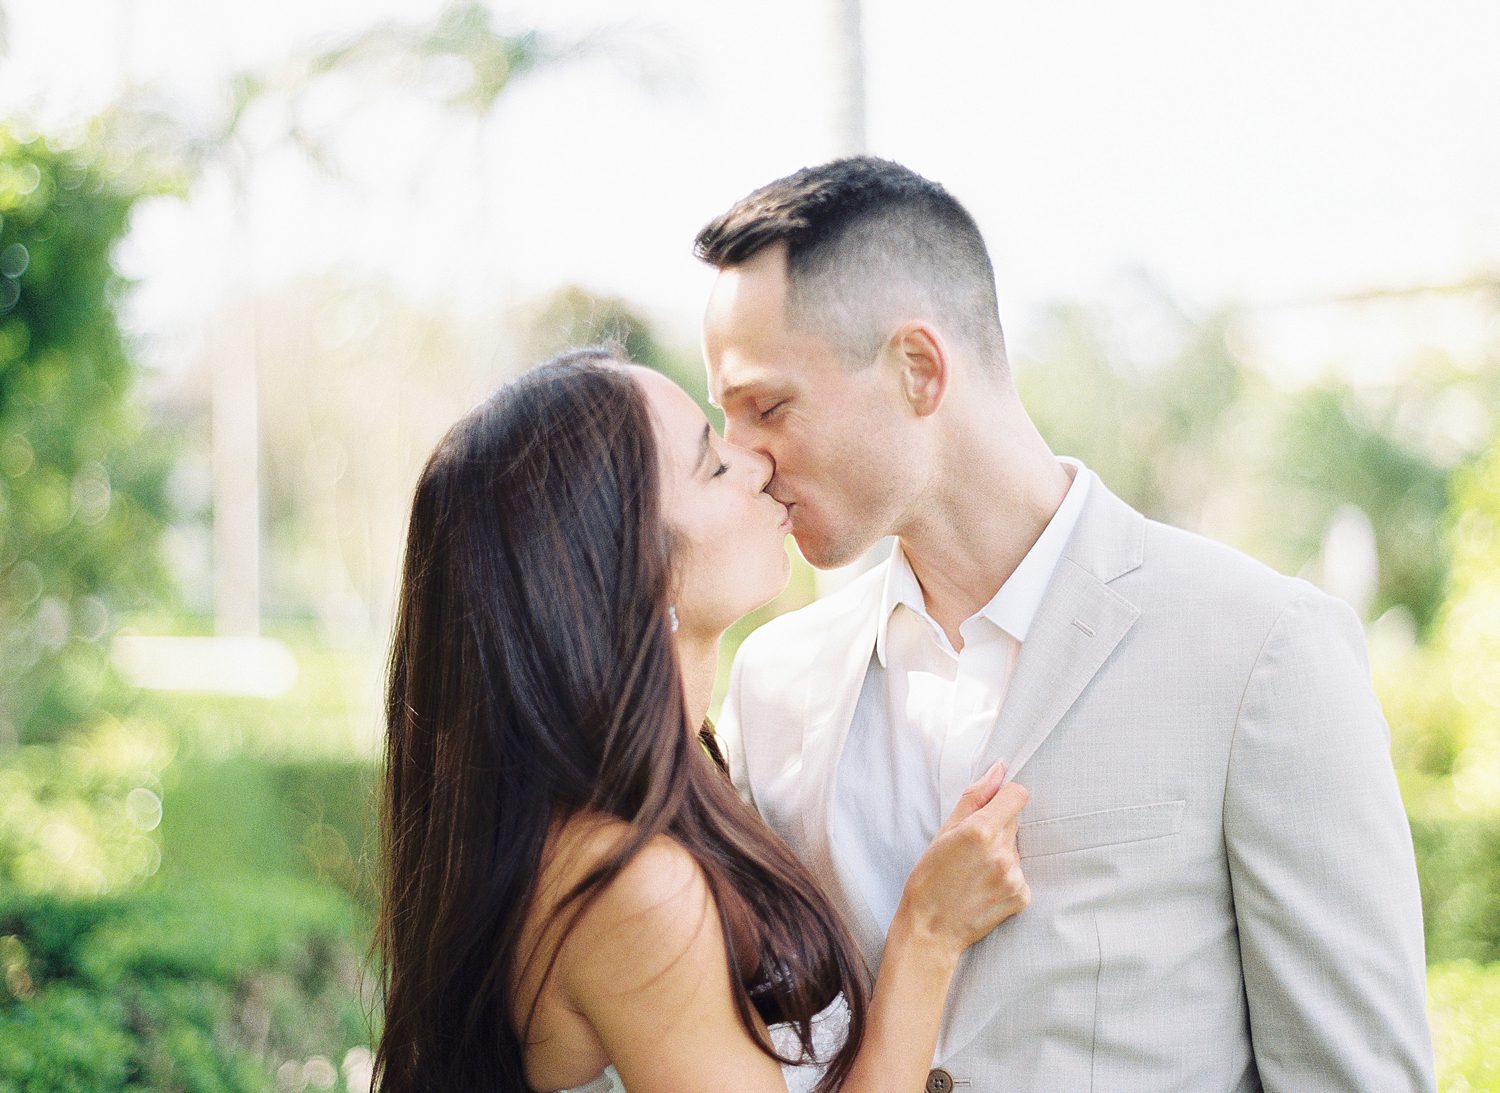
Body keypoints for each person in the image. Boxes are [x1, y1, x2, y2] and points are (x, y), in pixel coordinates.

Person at [698, 158, 1435, 1091]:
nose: (745, 461)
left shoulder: (1264, 651)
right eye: (725, 423)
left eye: (767, 407)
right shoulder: (772, 683)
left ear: (919, 369)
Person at [372, 349, 1032, 1093]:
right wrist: (930, 934)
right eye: (713, 465)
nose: (753, 462)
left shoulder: (637, 804)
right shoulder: (633, 887)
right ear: (634, 569)